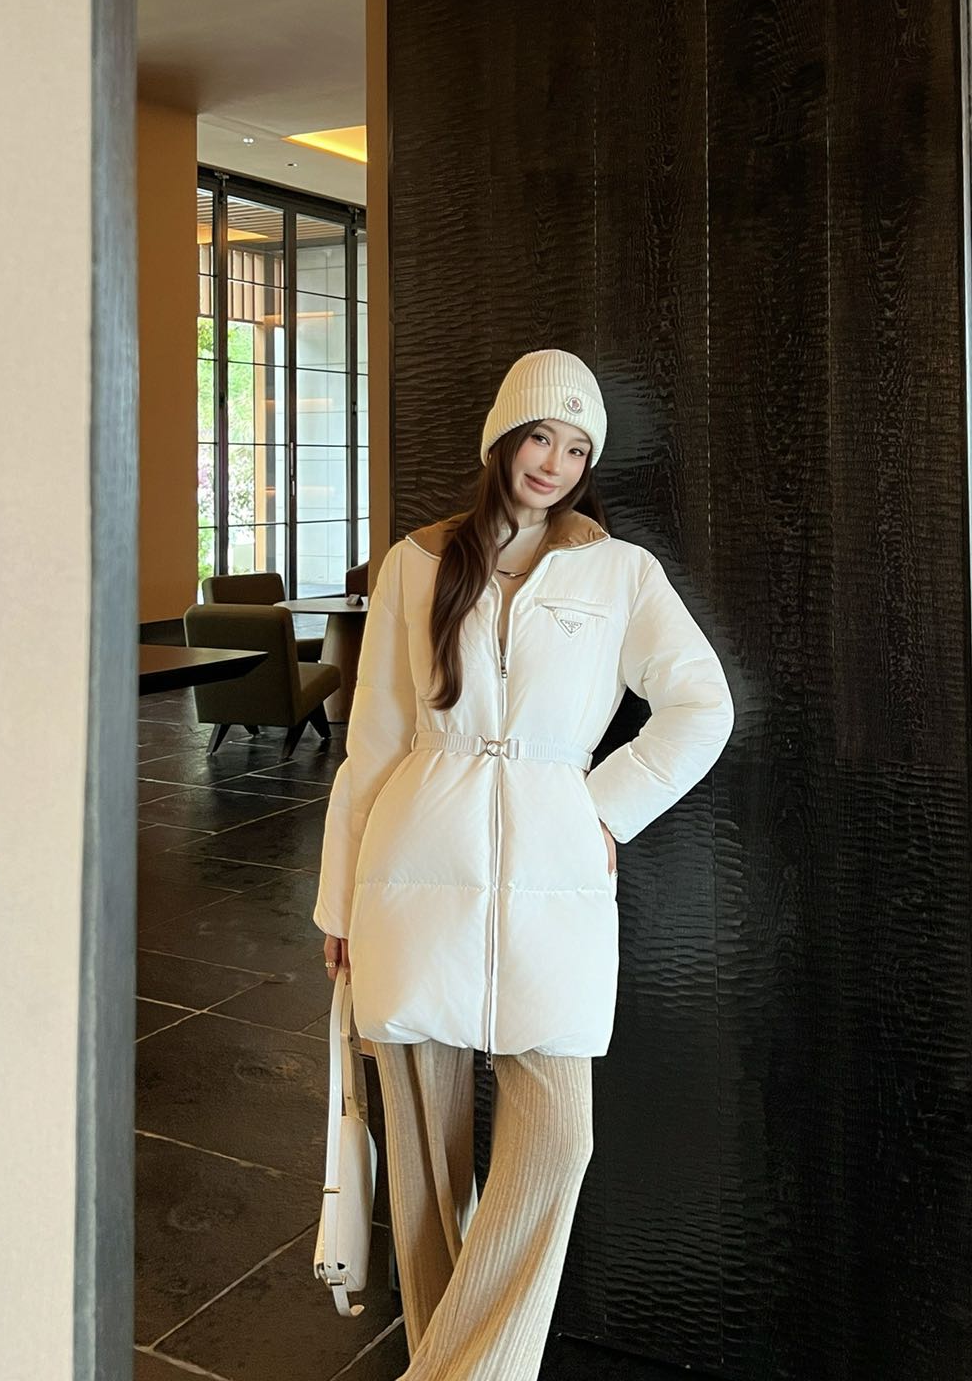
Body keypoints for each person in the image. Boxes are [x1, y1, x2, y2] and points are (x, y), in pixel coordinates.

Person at [312, 348, 735, 1380]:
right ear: (503, 437)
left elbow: (702, 704)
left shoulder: (620, 572)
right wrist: (337, 905)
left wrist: (607, 807)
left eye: (578, 447)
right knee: (425, 1158)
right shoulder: (416, 562)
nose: (555, 461)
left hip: (554, 877)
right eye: (542, 435)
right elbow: (373, 741)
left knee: (559, 1140)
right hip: (411, 870)